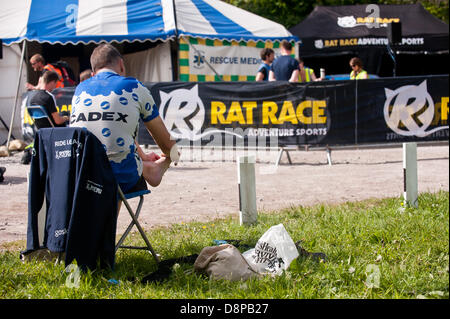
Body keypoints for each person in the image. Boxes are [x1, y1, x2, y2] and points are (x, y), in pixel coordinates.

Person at [70, 44, 177, 193]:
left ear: (93, 73)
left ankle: (144, 166)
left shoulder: (79, 89)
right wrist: (171, 156)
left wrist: (144, 156)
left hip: (80, 174)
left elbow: (116, 129)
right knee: (171, 151)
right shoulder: (133, 86)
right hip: (119, 177)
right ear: (121, 64)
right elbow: (165, 141)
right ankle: (151, 170)